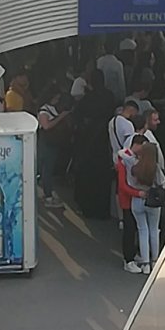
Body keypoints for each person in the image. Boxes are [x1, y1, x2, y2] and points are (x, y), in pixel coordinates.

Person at [72, 69, 115, 218]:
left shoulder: (87, 98)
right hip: (103, 141)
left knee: (88, 175)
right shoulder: (109, 96)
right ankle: (103, 209)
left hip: (87, 142)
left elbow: (77, 116)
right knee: (102, 177)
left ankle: (87, 207)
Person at [124, 140, 162, 273]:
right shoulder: (155, 168)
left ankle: (145, 264)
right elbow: (162, 183)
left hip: (137, 200)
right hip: (152, 200)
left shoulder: (134, 166)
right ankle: (155, 260)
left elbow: (122, 154)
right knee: (154, 230)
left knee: (142, 230)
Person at [115, 134, 147, 272]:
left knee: (134, 228)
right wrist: (137, 193)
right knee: (129, 230)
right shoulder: (124, 161)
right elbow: (122, 185)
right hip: (127, 200)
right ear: (137, 145)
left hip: (133, 198)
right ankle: (128, 260)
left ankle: (132, 254)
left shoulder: (130, 158)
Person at [37, 84, 70, 208]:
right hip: (47, 142)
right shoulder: (44, 110)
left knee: (49, 168)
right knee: (47, 169)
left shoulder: (51, 108)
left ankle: (48, 193)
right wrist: (61, 117)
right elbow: (46, 126)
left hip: (53, 142)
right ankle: (48, 195)